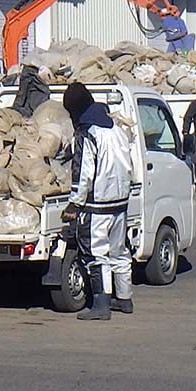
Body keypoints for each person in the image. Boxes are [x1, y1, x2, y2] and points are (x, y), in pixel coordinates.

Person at [61, 83, 134, 320]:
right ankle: (124, 299)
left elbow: (83, 172)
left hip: (97, 205)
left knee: (95, 255)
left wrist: (74, 203)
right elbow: (129, 165)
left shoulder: (87, 133)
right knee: (119, 252)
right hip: (120, 202)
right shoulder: (116, 129)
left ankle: (101, 305)